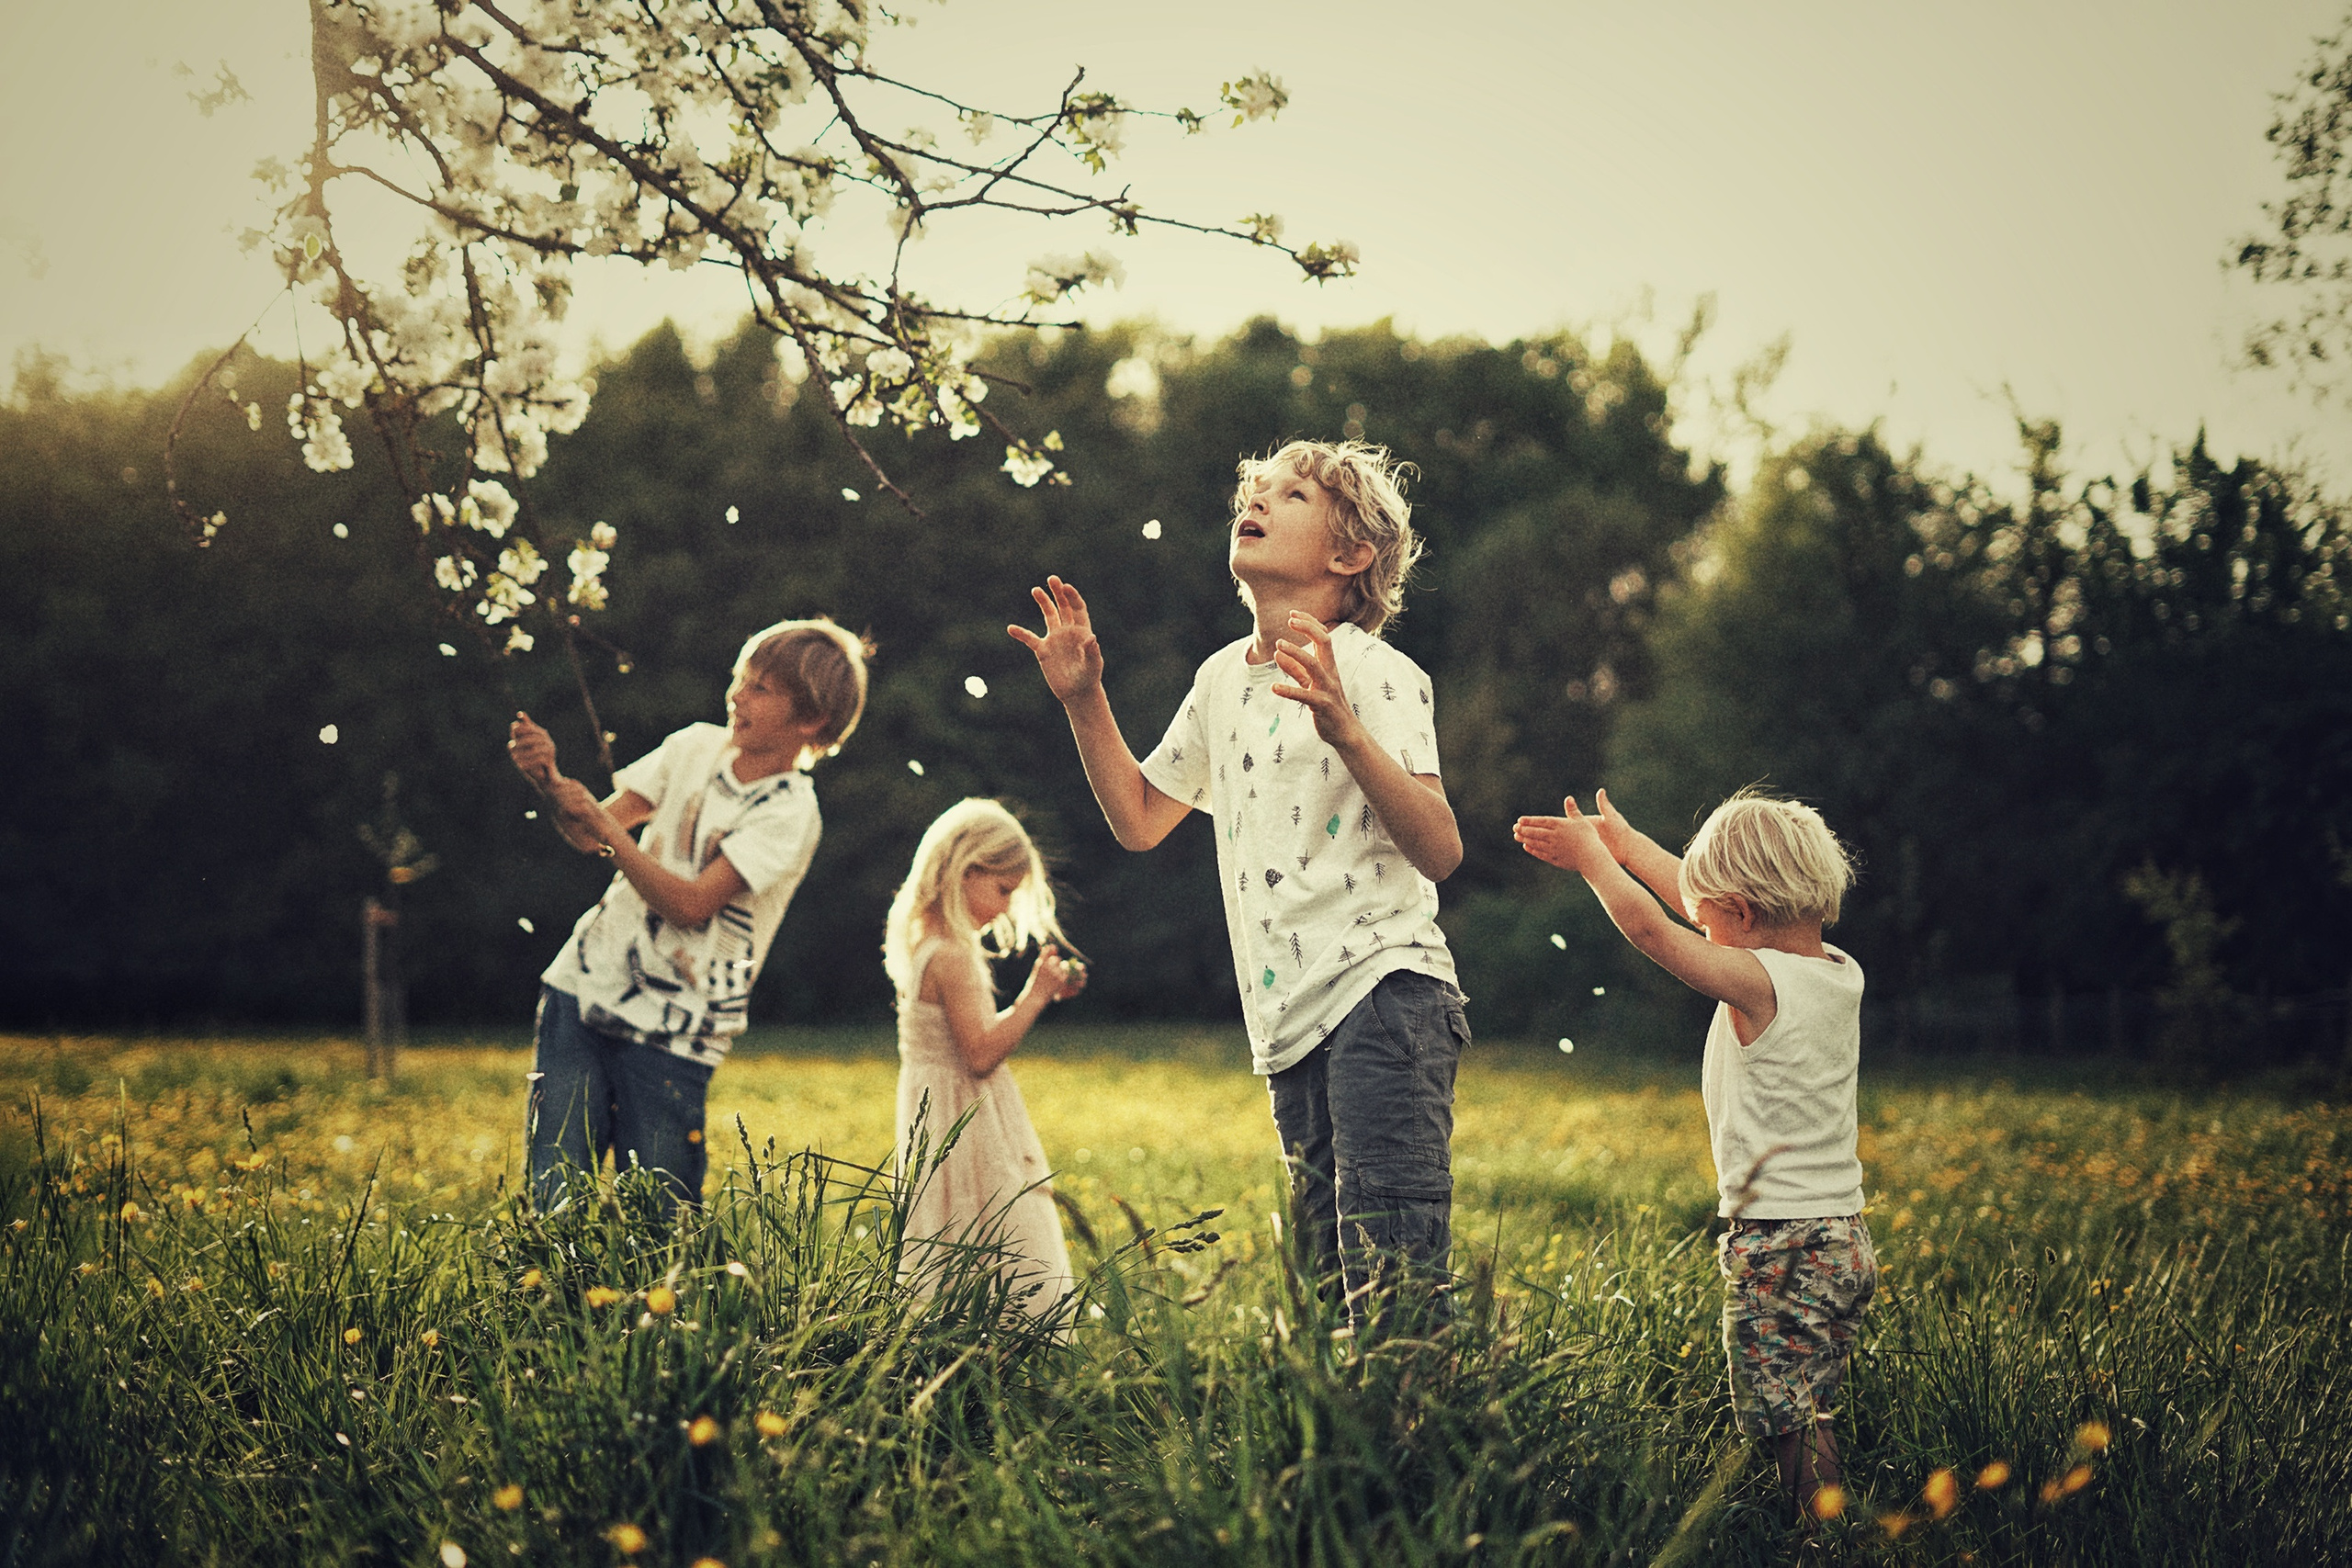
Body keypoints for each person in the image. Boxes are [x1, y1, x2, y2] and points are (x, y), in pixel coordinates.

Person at [1011, 438, 1469, 1331]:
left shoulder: (1374, 671)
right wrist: (1083, 700)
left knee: (1393, 1277)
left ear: (1349, 556)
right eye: (1251, 492)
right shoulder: (1222, 679)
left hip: (1385, 990)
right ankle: (1354, 1454)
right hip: (1286, 1021)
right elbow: (1141, 818)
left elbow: (1441, 848)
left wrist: (1344, 730)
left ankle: (1423, 1451)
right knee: (1327, 1288)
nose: (1253, 502)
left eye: (1290, 495)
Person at [1513, 786, 1875, 1524]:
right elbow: (1698, 898)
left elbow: (1654, 928)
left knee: (1787, 1415)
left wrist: (1594, 863)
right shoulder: (1837, 968)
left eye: (1711, 919)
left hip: (1782, 1243)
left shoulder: (1758, 981)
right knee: (1810, 1398)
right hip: (1841, 1236)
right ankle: (1826, 1515)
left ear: (1741, 916)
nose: (1699, 923)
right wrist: (1627, 844)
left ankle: (1824, 1535)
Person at [506, 616, 871, 1219]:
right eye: (740, 678)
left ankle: (650, 1314)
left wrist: (601, 830)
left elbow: (691, 903)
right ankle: (550, 1306)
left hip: (679, 1030)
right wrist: (548, 782)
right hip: (583, 988)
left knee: (657, 1212)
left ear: (810, 721)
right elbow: (592, 833)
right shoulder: (695, 745)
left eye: (760, 688)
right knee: (553, 1193)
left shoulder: (791, 811)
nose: (737, 695)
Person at [884, 797, 1087, 1312]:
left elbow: (966, 1036)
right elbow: (979, 1053)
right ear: (965, 871)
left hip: (935, 1107)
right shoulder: (953, 957)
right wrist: (1034, 996)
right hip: (967, 1117)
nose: (1003, 908)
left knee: (950, 1226)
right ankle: (1005, 1338)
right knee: (1000, 1227)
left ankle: (951, 1336)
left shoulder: (924, 944)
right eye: (1002, 890)